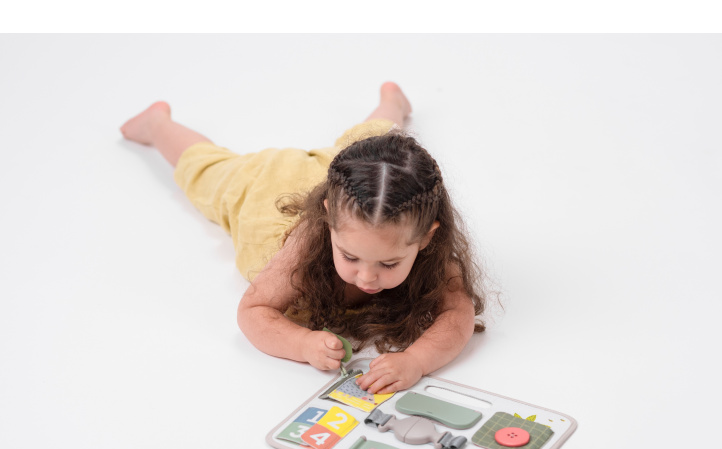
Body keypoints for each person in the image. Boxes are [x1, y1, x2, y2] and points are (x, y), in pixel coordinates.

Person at [120, 82, 486, 394]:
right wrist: (302, 343)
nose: (366, 276)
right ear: (327, 221)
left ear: (426, 238)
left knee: (376, 138)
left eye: (389, 263)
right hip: (263, 187)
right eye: (350, 257)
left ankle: (393, 101)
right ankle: (157, 123)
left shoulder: (408, 228)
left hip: (349, 179)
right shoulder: (307, 239)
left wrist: (416, 361)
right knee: (207, 166)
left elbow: (458, 314)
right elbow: (253, 312)